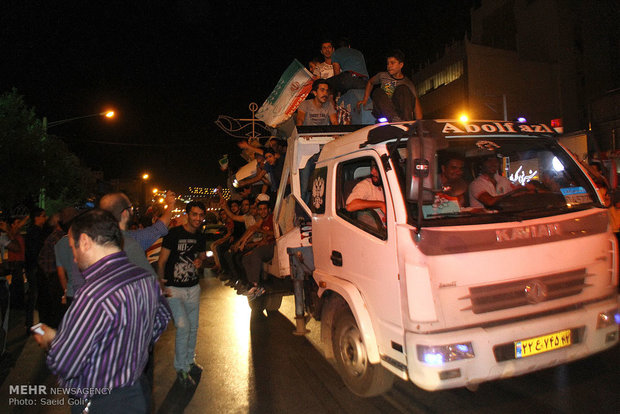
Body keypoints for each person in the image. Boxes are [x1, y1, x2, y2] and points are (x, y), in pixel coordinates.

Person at [33, 209, 172, 414]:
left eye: (74, 248)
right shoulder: (143, 278)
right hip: (137, 393)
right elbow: (162, 317)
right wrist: (132, 346)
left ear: (86, 242)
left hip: (102, 401)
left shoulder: (93, 293)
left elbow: (65, 363)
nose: (74, 257)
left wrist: (50, 339)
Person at [158, 201, 207, 388]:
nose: (197, 218)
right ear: (187, 214)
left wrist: (200, 261)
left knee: (193, 327)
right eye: (194, 214)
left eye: (201, 215)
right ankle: (181, 368)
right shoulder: (174, 234)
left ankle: (189, 361)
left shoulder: (201, 236)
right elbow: (162, 261)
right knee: (183, 326)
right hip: (173, 289)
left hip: (193, 288)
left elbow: (202, 257)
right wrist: (160, 283)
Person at [358, 49, 423, 122]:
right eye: (388, 63)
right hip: (383, 110)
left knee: (403, 89)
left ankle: (406, 120)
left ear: (401, 65)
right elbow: (370, 82)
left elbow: (416, 103)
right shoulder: (382, 75)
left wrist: (419, 124)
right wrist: (365, 99)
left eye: (392, 63)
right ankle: (394, 119)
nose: (389, 66)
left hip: (398, 111)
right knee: (378, 91)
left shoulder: (407, 83)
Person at [100, 191, 176, 251]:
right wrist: (170, 205)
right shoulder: (131, 240)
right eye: (131, 208)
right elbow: (159, 228)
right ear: (125, 213)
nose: (132, 212)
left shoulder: (94, 239)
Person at [240, 201, 275, 298]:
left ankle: (255, 285)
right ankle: (252, 284)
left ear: (269, 210)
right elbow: (263, 238)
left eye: (264, 209)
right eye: (260, 209)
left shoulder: (273, 218)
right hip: (265, 246)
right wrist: (256, 244)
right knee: (246, 258)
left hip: (274, 246)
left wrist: (261, 231)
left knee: (256, 253)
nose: (262, 211)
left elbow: (276, 234)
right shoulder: (262, 221)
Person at [24, 207, 48, 329]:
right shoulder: (36, 232)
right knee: (35, 296)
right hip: (35, 267)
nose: (45, 218)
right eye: (43, 216)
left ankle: (31, 324)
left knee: (34, 296)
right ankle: (32, 324)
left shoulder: (34, 231)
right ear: (36, 217)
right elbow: (36, 252)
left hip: (32, 266)